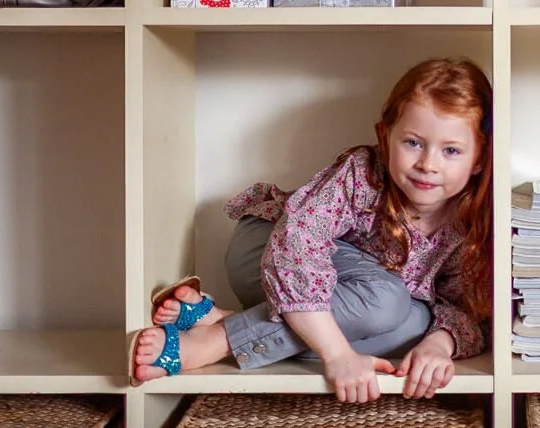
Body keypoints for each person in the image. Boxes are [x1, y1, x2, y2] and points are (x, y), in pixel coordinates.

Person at [130, 57, 493, 402]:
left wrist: (439, 345)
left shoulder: (468, 223)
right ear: (385, 137)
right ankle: (217, 341)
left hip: (344, 302)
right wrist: (337, 355)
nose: (428, 164)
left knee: (417, 324)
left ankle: (228, 321)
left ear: (479, 158)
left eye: (451, 151)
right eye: (413, 143)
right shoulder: (363, 174)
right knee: (386, 300)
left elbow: (468, 313)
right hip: (266, 247)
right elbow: (297, 245)